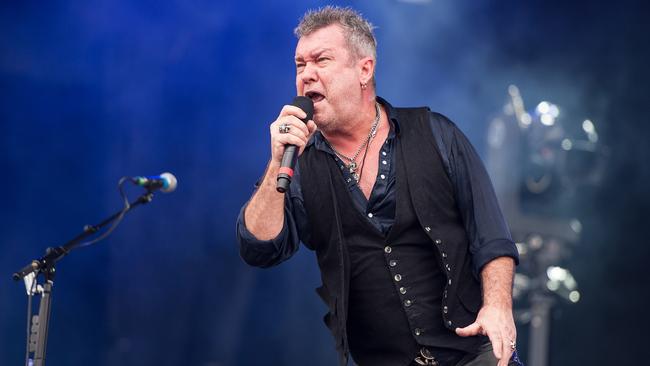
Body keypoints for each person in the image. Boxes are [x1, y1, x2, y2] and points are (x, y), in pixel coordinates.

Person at [236, 6, 522, 366]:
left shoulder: (435, 134)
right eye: (299, 65)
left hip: (474, 354)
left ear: (364, 69)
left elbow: (491, 236)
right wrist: (277, 161)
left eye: (321, 60)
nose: (307, 75)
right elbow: (260, 248)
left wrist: (498, 306)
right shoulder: (300, 166)